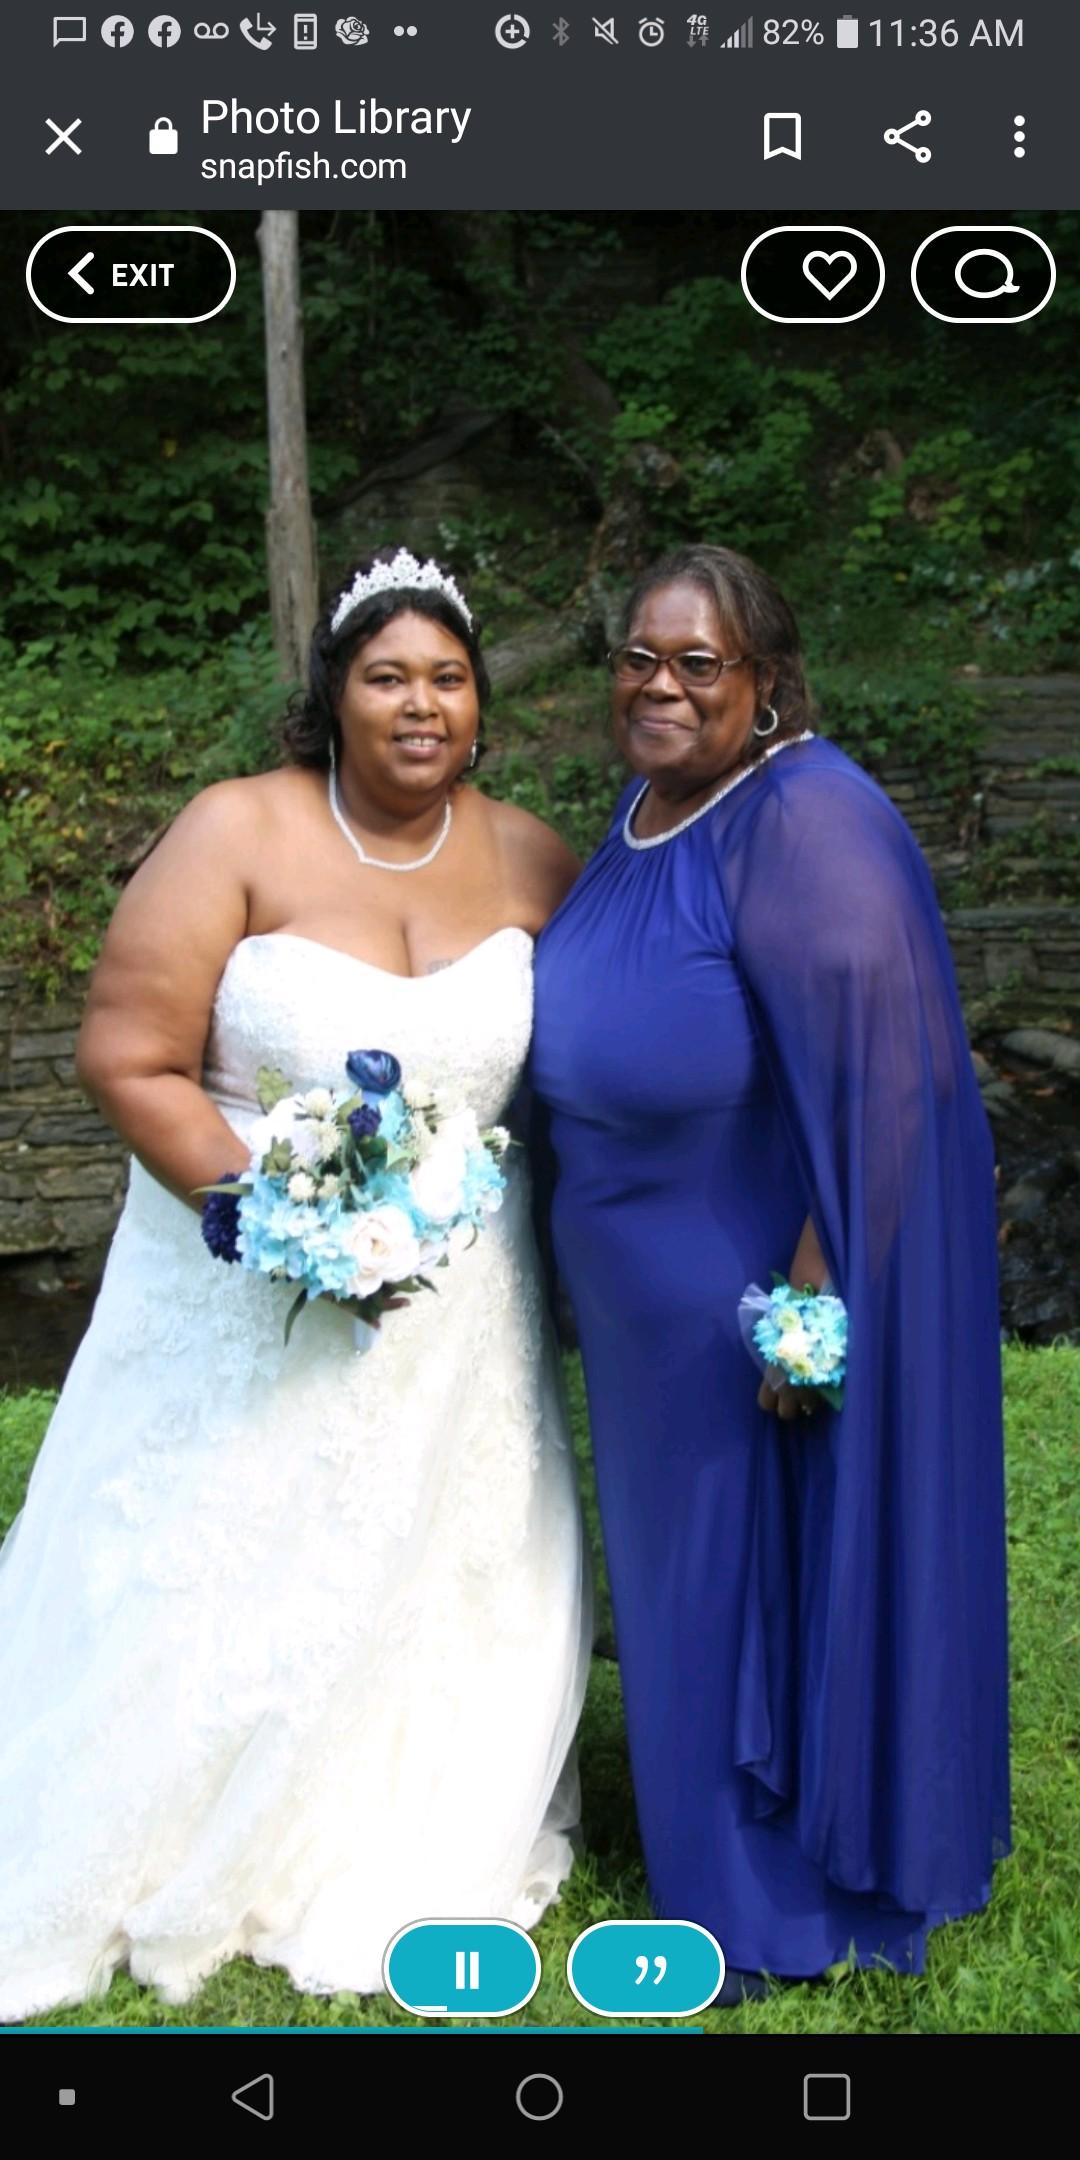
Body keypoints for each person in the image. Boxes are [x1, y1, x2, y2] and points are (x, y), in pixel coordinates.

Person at [0, 547, 592, 2021]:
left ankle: (396, 1800)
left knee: (441, 1559)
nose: (420, 704)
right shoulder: (236, 829)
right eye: (387, 676)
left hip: (464, 1317)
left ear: (481, 704)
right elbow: (129, 1056)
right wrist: (278, 1227)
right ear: (332, 691)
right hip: (244, 1286)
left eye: (447, 678)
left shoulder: (535, 857)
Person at [529, 543, 1009, 1996]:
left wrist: (808, 1309)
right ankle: (703, 1834)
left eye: (699, 664)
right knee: (684, 1582)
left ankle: (774, 1890)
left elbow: (891, 1083)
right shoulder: (649, 807)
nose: (660, 686)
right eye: (639, 658)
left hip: (740, 1300)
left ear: (769, 684)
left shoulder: (807, 816)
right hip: (641, 1313)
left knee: (744, 1576)